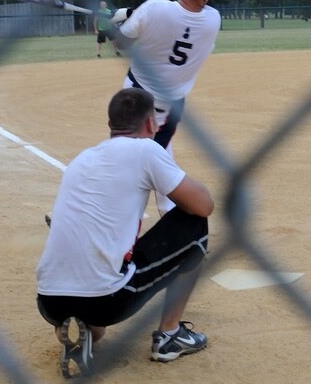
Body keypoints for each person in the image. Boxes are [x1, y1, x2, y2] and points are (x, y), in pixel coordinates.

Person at [36, 88, 215, 377]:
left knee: (98, 327)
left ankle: (81, 332)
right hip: (106, 299)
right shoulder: (146, 149)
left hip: (49, 300)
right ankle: (170, 335)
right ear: (150, 124)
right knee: (194, 223)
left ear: (110, 127)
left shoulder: (82, 159)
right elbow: (203, 206)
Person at [113, 0, 221, 215]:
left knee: (130, 162)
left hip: (136, 100)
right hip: (170, 109)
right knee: (159, 156)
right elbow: (175, 22)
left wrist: (120, 23)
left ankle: (107, 219)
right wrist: (135, 15)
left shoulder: (153, 7)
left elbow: (120, 44)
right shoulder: (213, 20)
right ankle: (169, 213)